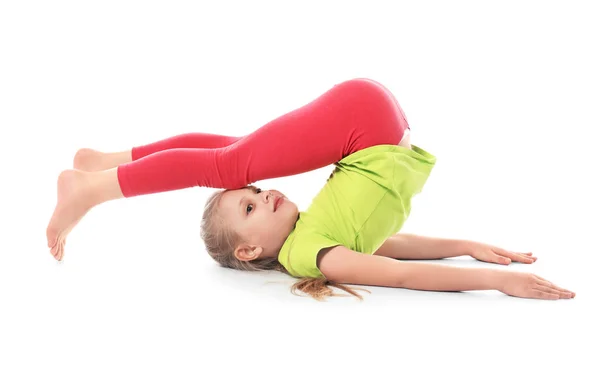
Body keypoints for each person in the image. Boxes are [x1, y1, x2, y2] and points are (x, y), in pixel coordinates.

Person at [46, 78, 575, 301]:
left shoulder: (309, 240)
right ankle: (96, 180)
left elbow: (390, 258)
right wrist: (482, 266)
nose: (265, 193)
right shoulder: (318, 253)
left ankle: (97, 174)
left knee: (231, 156)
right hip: (369, 122)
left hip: (366, 123)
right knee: (230, 155)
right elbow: (398, 262)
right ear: (249, 249)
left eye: (253, 194)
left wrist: (476, 261)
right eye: (250, 206)